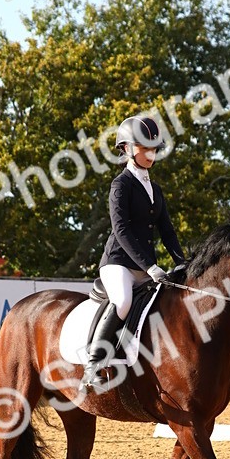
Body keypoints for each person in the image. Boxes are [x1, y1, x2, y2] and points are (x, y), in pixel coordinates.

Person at [81, 114, 186, 388]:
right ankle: (93, 363)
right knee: (124, 301)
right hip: (118, 263)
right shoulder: (121, 185)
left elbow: (167, 230)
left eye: (154, 148)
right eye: (144, 147)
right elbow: (122, 231)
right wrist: (150, 266)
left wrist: (182, 261)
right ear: (127, 149)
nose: (150, 154)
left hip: (145, 266)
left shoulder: (156, 189)